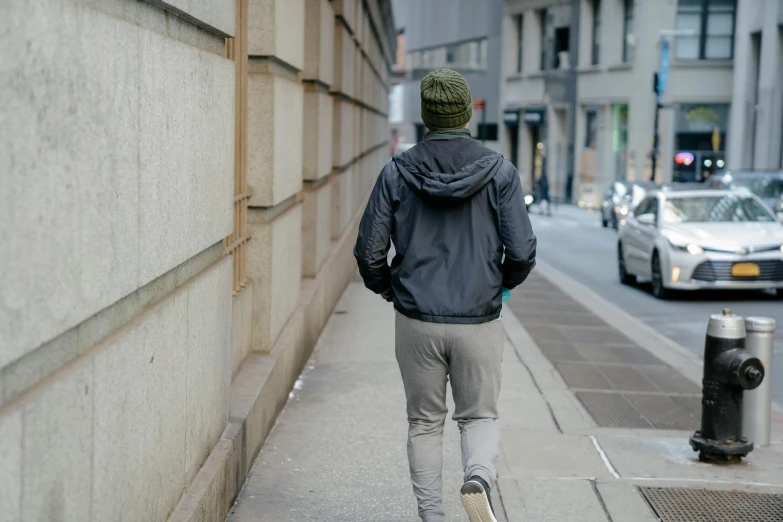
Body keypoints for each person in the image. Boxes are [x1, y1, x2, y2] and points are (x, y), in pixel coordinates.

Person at [354, 69, 537, 522]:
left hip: (417, 319)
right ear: (465, 113)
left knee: (424, 423)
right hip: (478, 318)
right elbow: (523, 250)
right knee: (478, 416)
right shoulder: (500, 172)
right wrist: (503, 284)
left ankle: (432, 516)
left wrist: (386, 289)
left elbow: (369, 250)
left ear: (425, 116)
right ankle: (477, 478)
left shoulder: (396, 171)